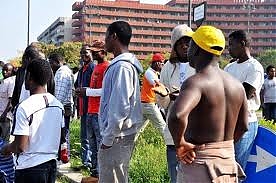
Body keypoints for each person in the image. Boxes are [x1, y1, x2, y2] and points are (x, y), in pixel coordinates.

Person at [167, 25, 247, 182]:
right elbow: (243, 125)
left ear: (196, 49)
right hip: (227, 166)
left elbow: (177, 116)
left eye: (190, 45)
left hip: (200, 166)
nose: (187, 49)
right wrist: (221, 148)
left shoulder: (196, 82)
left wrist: (180, 144)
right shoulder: (236, 85)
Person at [0, 59, 64, 183]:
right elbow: (60, 137)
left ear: (29, 77)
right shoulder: (58, 105)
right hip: (51, 165)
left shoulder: (24, 106)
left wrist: (6, 149)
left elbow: (20, 146)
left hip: (29, 168)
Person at [98, 21, 143, 183]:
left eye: (106, 36)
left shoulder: (122, 67)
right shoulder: (120, 65)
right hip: (118, 135)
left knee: (113, 178)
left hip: (118, 136)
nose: (104, 41)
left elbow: (120, 106)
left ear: (114, 36)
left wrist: (108, 139)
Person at [153, 24, 195, 183]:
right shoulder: (167, 68)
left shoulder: (200, 64)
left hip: (195, 131)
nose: (184, 46)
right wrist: (168, 97)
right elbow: (162, 102)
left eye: (188, 42)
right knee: (174, 174)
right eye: (180, 43)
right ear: (174, 46)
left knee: (193, 174)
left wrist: (186, 97)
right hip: (174, 131)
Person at [225, 30, 264, 170]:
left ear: (242, 44)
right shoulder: (229, 67)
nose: (228, 49)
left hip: (245, 122)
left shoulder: (255, 67)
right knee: (226, 165)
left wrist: (231, 92)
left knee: (238, 168)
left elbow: (244, 95)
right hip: (228, 121)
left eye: (231, 45)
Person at [75, 40, 108, 181]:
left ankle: (101, 174)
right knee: (92, 144)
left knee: (100, 145)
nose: (93, 53)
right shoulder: (96, 67)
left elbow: (106, 91)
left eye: (95, 51)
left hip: (99, 112)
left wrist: (87, 92)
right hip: (90, 111)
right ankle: (94, 172)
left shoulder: (107, 67)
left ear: (103, 52)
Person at [49, 53, 74, 163]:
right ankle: (63, 156)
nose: (50, 65)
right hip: (63, 107)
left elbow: (60, 94)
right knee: (63, 133)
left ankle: (63, 157)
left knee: (63, 134)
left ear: (57, 62)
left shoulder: (62, 73)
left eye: (51, 63)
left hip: (62, 107)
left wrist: (54, 108)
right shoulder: (62, 71)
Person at [75, 44, 95, 168]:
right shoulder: (82, 69)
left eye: (86, 53)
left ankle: (90, 162)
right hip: (83, 108)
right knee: (84, 137)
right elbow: (77, 84)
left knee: (90, 137)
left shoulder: (93, 67)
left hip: (90, 107)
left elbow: (94, 88)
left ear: (91, 53)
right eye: (82, 54)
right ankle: (85, 161)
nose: (83, 56)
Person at [139, 53, 166, 135]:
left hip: (145, 104)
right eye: (162, 64)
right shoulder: (149, 73)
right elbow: (158, 85)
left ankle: (129, 146)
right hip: (149, 104)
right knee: (162, 126)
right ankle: (171, 146)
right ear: (157, 63)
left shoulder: (153, 73)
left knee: (138, 129)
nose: (163, 66)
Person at [0, 63, 15, 142]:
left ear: (11, 72)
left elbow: (11, 101)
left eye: (7, 70)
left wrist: (4, 114)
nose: (4, 72)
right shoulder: (2, 82)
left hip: (5, 117)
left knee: (6, 140)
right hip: (0, 115)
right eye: (3, 70)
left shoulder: (11, 82)